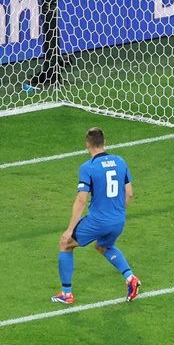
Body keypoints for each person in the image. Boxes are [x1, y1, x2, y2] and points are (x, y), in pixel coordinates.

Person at [51, 127, 142, 305]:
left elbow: (81, 201)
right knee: (102, 246)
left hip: (98, 221)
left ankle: (66, 294)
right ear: (104, 143)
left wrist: (69, 230)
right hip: (118, 219)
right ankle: (130, 277)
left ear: (87, 145)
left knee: (65, 244)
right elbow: (129, 194)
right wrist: (116, 211)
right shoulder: (120, 161)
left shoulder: (88, 167)